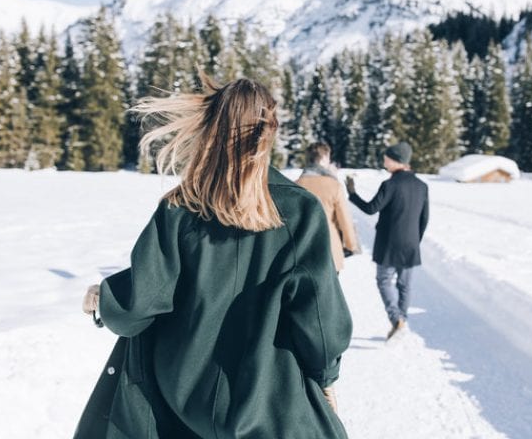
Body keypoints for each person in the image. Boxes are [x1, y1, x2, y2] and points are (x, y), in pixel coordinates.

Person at [75, 77, 352, 439]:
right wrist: (325, 377)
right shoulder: (299, 211)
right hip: (265, 408)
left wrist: (104, 298)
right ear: (269, 131)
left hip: (178, 407)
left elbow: (140, 302)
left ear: (212, 127)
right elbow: (320, 321)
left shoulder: (179, 207)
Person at [345, 142, 429, 340]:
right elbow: (424, 219)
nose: (384, 162)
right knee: (404, 285)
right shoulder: (422, 186)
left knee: (384, 280)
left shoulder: (390, 185)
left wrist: (352, 193)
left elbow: (370, 208)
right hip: (411, 243)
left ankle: (396, 319)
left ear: (395, 160)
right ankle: (403, 321)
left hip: (389, 244)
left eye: (386, 158)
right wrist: (416, 239)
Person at [295, 143, 360, 273]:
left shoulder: (296, 185)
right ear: (324, 158)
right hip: (329, 251)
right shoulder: (334, 185)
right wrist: (351, 245)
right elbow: (345, 220)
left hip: (302, 252)